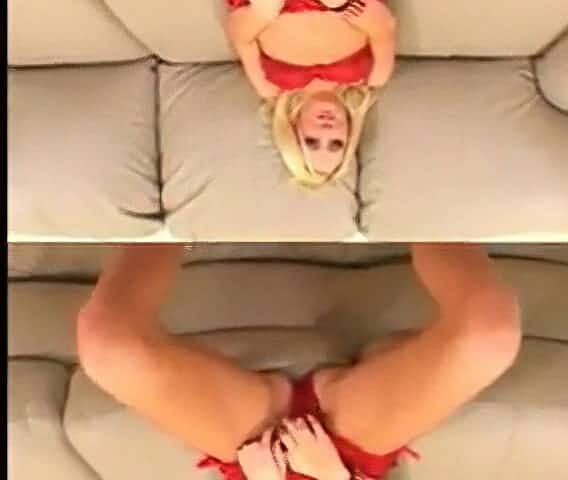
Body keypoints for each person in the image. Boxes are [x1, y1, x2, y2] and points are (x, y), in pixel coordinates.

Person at [76, 244, 521, 479]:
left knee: (107, 348)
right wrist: (331, 475)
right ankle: (423, 209)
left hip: (259, 454)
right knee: (489, 338)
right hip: (346, 457)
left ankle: (163, 222)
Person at [223, 0, 397, 187]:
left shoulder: (267, 87)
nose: (326, 130)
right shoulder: (377, 76)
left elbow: (240, 38)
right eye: (336, 143)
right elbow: (384, 26)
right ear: (349, 138)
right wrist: (346, 7)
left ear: (292, 135)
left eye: (311, 141)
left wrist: (262, 13)